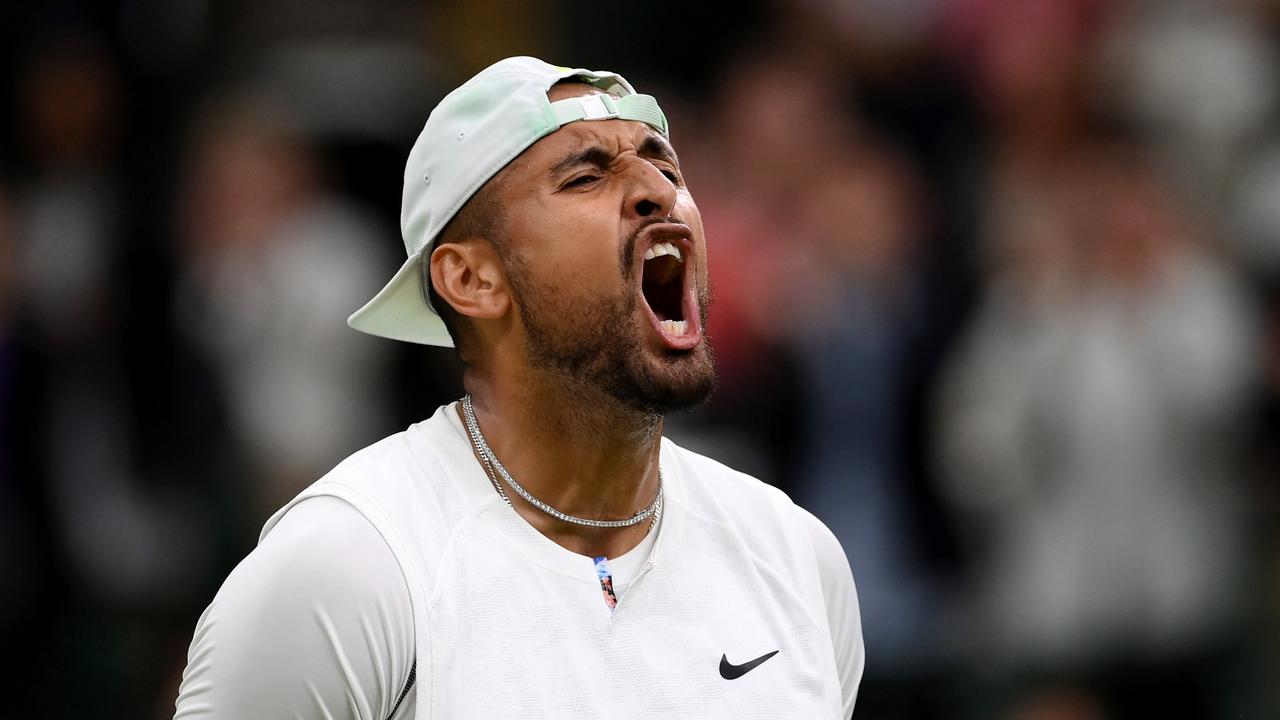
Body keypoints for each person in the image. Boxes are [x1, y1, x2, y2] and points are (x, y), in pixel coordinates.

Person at [173, 56, 864, 720]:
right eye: (586, 177)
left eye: (663, 162)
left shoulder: (797, 558)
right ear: (472, 280)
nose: (659, 190)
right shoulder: (342, 572)